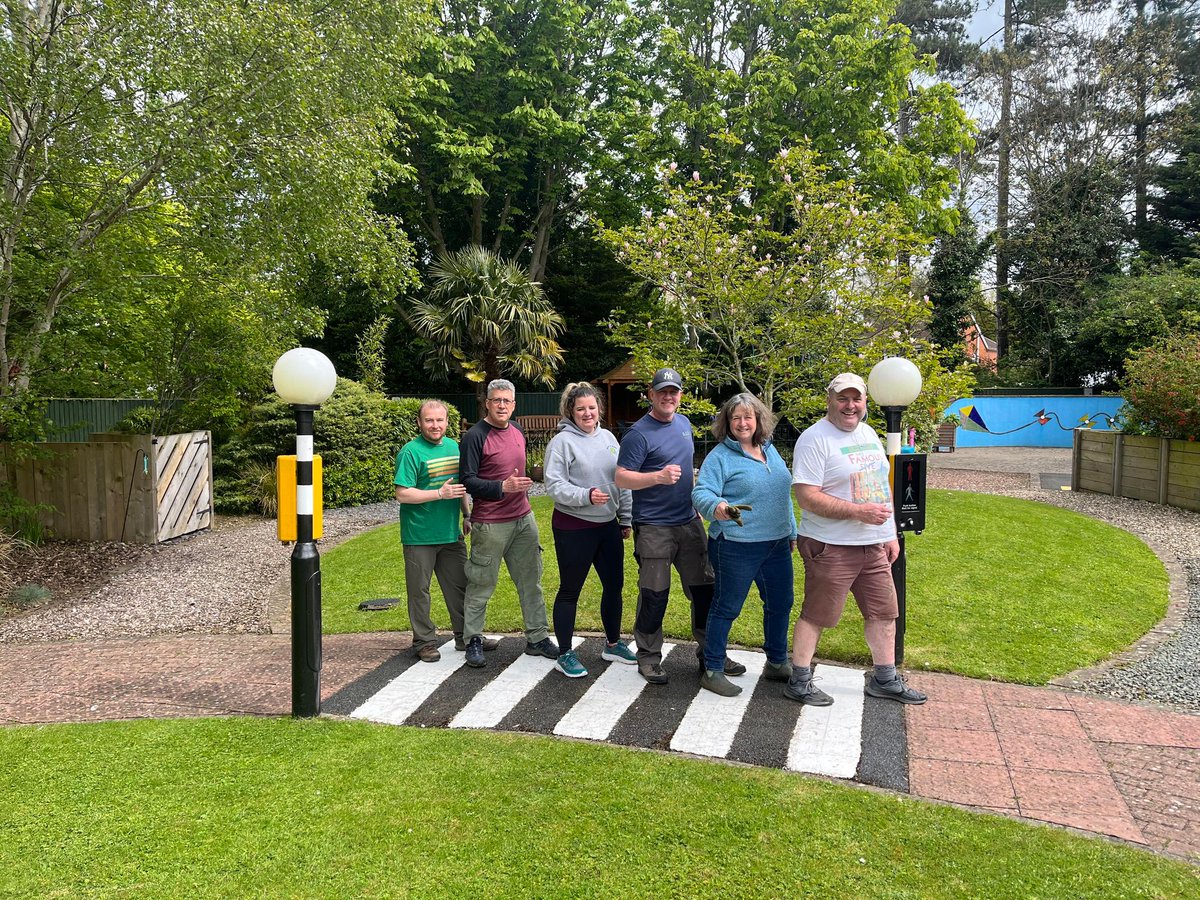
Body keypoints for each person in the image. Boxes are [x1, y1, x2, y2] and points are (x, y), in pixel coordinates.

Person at [787, 373, 927, 706]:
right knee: (818, 615)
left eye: (857, 399)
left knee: (884, 613)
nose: (850, 405)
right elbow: (806, 497)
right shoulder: (814, 439)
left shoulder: (867, 434)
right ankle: (799, 680)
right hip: (829, 544)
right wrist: (857, 513)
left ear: (865, 402)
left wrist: (889, 532)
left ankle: (885, 679)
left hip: (873, 545)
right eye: (842, 398)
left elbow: (882, 486)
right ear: (829, 400)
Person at [615, 367, 745, 685]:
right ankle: (647, 657)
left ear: (680, 396)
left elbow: (687, 470)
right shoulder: (638, 434)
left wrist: (695, 504)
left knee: (706, 591)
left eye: (673, 391)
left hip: (688, 521)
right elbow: (620, 477)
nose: (668, 397)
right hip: (654, 527)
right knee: (655, 595)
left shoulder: (684, 424)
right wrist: (656, 477)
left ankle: (710, 654)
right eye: (662, 392)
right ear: (651, 395)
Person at [691, 393, 797, 696]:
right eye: (736, 417)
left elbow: (782, 493)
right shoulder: (720, 457)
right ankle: (712, 669)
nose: (742, 422)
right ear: (727, 422)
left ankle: (777, 663)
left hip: (775, 544)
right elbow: (701, 494)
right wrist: (720, 507)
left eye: (748, 416)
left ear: (758, 419)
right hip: (735, 544)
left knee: (780, 604)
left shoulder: (770, 450)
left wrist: (791, 531)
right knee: (726, 607)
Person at [460, 379, 558, 667]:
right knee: (481, 584)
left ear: (514, 405)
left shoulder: (516, 430)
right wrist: (503, 487)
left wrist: (518, 486)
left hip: (523, 519)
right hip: (490, 524)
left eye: (507, 401)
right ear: (487, 403)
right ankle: (473, 639)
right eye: (496, 400)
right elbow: (467, 481)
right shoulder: (474, 437)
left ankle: (537, 637)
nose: (502, 405)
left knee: (531, 581)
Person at [543, 382, 637, 678]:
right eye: (581, 408)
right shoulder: (561, 443)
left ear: (600, 410)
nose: (587, 413)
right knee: (570, 590)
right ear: (570, 411)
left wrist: (625, 517)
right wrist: (585, 496)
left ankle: (612, 644)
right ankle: (565, 653)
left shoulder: (609, 438)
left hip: (607, 526)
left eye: (592, 408)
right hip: (573, 527)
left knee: (614, 586)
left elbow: (621, 480)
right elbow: (554, 486)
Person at [393, 400, 498, 662]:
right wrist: (439, 493)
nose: (435, 425)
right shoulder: (411, 452)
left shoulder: (454, 447)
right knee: (420, 592)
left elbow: (460, 487)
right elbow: (402, 493)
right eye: (429, 420)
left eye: (439, 420)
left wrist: (467, 513)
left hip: (452, 534)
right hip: (420, 536)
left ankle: (467, 636)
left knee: (461, 587)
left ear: (447, 422)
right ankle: (425, 641)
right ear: (419, 423)